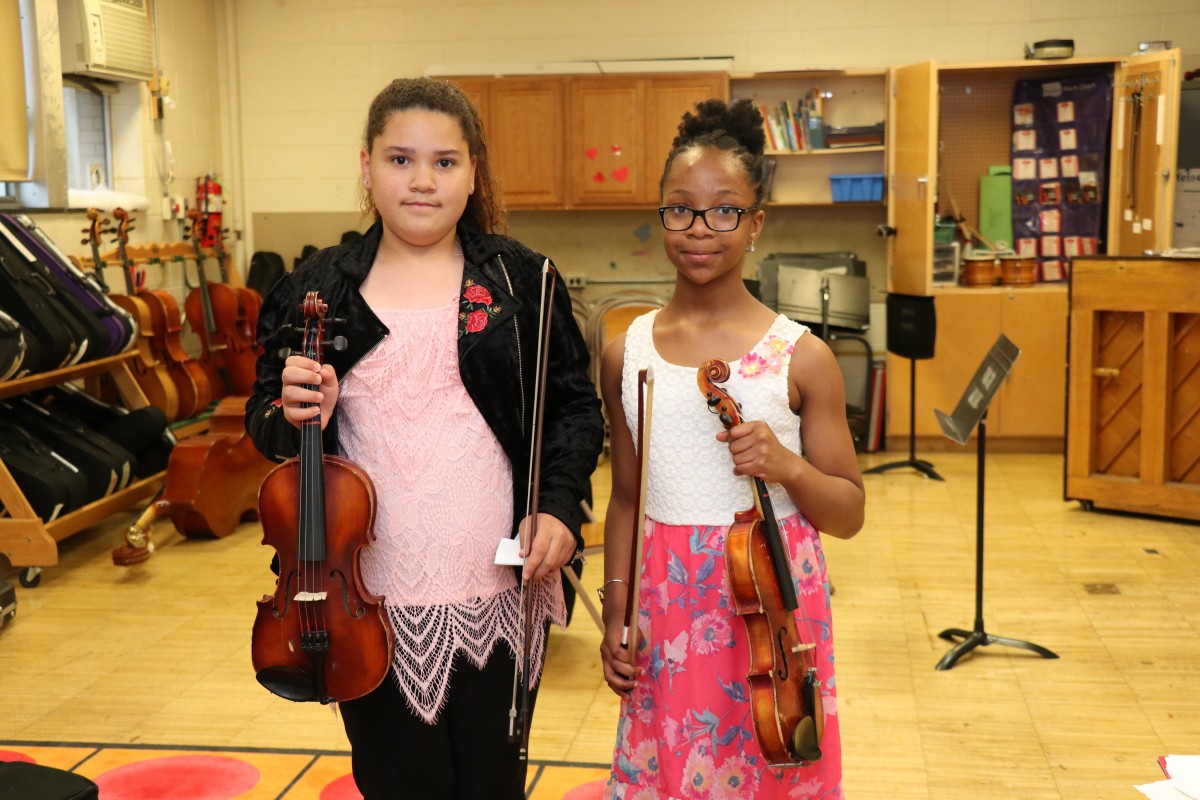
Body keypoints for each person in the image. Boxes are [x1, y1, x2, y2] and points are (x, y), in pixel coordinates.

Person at [245, 77, 604, 800]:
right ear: (366, 165)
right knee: (398, 784)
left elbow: (573, 411)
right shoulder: (317, 288)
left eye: (445, 162)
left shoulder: (521, 280)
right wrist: (288, 414)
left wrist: (561, 509)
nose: (421, 181)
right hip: (361, 608)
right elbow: (264, 423)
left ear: (474, 172)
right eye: (400, 159)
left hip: (499, 592)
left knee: (492, 786)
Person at [598, 98, 865, 799]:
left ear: (756, 223)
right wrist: (616, 612)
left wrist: (786, 465)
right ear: (661, 216)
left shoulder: (801, 357)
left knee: (771, 767)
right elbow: (627, 496)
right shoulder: (627, 354)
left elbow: (847, 511)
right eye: (680, 209)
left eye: (724, 211)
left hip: (771, 603)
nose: (700, 230)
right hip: (665, 600)